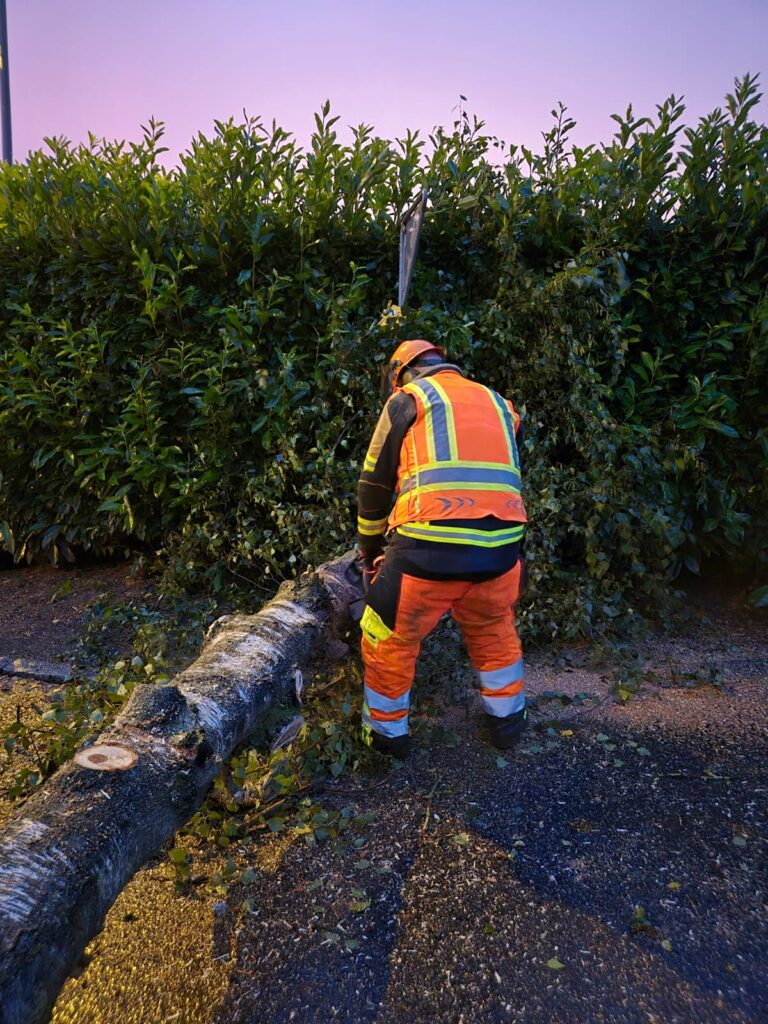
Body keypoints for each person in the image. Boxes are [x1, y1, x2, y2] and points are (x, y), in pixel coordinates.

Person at [356, 338, 528, 758]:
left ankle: (386, 739)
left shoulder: (407, 400)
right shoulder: (499, 403)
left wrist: (370, 551)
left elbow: (373, 485)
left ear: (400, 374)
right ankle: (508, 723)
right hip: (502, 553)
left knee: (386, 634)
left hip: (427, 554)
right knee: (493, 627)